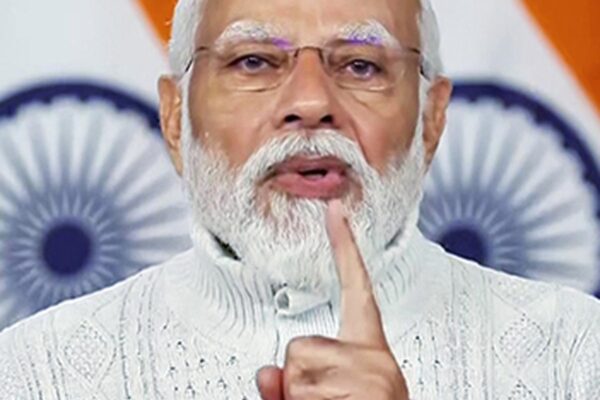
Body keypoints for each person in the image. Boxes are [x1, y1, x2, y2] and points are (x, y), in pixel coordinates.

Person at [1, 0, 599, 398]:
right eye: (254, 61)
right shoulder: (34, 374)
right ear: (175, 117)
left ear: (432, 121)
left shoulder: (578, 357)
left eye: (361, 66)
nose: (311, 102)